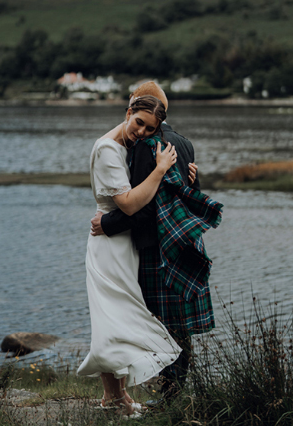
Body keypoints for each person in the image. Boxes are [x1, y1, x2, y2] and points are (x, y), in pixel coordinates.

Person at [90, 82, 211, 401]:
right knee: (179, 327)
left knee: (161, 323)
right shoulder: (185, 143)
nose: (141, 129)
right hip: (187, 244)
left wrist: (108, 222)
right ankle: (173, 395)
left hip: (161, 248)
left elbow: (148, 207)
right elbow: (189, 197)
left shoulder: (147, 146)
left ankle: (168, 396)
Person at [76, 95, 183, 417]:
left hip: (123, 244)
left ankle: (116, 395)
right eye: (138, 123)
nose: (141, 132)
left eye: (149, 129)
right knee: (112, 317)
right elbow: (129, 204)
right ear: (128, 113)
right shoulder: (109, 149)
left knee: (117, 316)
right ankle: (114, 397)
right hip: (108, 245)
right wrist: (162, 169)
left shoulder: (125, 143)